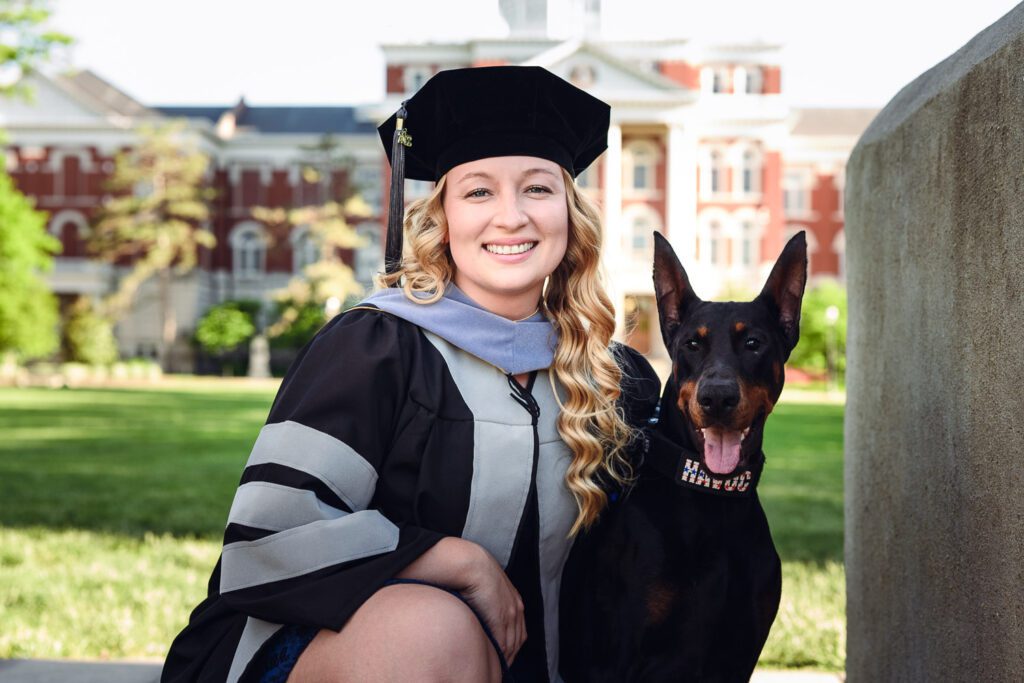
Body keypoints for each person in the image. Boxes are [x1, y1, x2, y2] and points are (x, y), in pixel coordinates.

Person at [162, 66, 660, 683]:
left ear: (570, 213)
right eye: (478, 192)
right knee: (431, 631)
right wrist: (460, 563)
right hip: (319, 649)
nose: (511, 217)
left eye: (537, 189)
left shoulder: (609, 379)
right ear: (442, 219)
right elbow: (269, 536)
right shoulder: (375, 347)